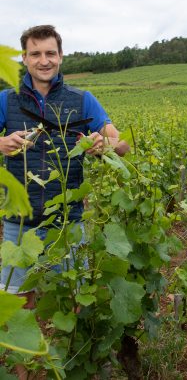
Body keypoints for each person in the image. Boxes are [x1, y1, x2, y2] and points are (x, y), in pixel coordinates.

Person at [0, 24, 129, 307]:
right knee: (17, 302)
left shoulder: (82, 100)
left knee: (74, 296)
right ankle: (25, 352)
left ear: (60, 56)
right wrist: (1, 143)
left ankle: (67, 348)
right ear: (24, 57)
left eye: (50, 53)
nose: (43, 61)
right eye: (35, 54)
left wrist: (104, 144)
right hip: (18, 221)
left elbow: (122, 145)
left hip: (68, 222)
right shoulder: (7, 100)